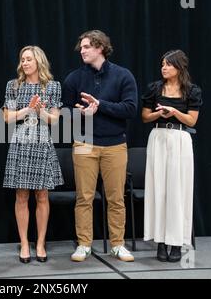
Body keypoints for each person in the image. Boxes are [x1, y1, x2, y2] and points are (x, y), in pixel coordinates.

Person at [62, 30, 137, 262]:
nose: (82, 51)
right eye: (81, 47)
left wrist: (100, 105)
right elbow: (64, 113)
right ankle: (84, 244)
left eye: (86, 47)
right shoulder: (74, 78)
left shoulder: (123, 75)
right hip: (84, 143)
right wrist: (81, 113)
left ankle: (117, 244)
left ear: (100, 48)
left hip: (115, 144)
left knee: (116, 198)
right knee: (84, 197)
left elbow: (131, 109)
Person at [3, 46, 63, 264]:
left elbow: (54, 120)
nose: (24, 63)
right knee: (21, 196)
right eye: (22, 59)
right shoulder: (14, 86)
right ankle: (24, 244)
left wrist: (40, 111)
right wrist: (27, 110)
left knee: (42, 196)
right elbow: (7, 118)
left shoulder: (52, 87)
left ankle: (40, 243)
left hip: (42, 142)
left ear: (39, 61)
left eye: (28, 59)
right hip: (21, 143)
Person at [141, 49, 202, 262]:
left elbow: (192, 121)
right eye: (162, 64)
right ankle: (160, 241)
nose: (164, 68)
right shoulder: (155, 88)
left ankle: (176, 242)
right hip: (158, 137)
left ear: (179, 67)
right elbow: (145, 117)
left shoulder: (191, 91)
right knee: (159, 190)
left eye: (168, 64)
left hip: (179, 139)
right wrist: (159, 113)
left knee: (177, 190)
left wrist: (174, 112)